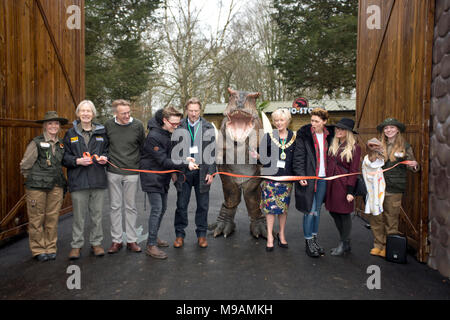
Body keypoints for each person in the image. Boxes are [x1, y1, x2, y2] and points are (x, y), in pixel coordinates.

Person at [140, 106, 198, 259]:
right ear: (164, 120)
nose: (177, 126)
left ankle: (153, 237)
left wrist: (185, 158)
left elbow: (170, 155)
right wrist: (185, 165)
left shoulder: (167, 133)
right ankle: (151, 245)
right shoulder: (153, 136)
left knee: (162, 208)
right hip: (151, 177)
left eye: (178, 124)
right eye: (174, 124)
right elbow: (163, 160)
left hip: (162, 178)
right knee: (157, 209)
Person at [63, 100, 109, 260]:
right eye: (82, 111)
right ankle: (76, 246)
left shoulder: (102, 132)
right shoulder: (71, 133)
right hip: (78, 180)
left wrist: (105, 158)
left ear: (93, 114)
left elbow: (108, 151)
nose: (85, 114)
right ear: (78, 114)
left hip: (97, 179)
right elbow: (64, 157)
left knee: (97, 215)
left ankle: (96, 243)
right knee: (79, 217)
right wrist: (77, 161)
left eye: (88, 111)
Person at [20, 111, 68, 262]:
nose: (53, 126)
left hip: (56, 186)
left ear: (59, 126)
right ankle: (38, 249)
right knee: (36, 218)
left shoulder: (61, 144)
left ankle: (50, 247)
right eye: (50, 123)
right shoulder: (36, 142)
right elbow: (25, 165)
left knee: (52, 218)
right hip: (36, 188)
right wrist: (35, 179)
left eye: (56, 123)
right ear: (45, 126)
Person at [369, 118, 420, 257]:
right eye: (386, 128)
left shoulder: (405, 146)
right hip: (378, 187)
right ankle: (378, 244)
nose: (388, 130)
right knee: (376, 218)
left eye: (392, 127)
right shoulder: (377, 145)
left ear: (397, 129)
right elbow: (369, 163)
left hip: (394, 188)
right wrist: (372, 155)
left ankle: (388, 246)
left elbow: (414, 167)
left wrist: (414, 165)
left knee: (391, 219)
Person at [173, 98, 216, 249]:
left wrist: (211, 173)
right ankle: (179, 235)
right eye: (190, 110)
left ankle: (202, 235)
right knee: (181, 205)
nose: (193, 113)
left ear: (200, 111)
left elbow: (212, 152)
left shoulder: (207, 126)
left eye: (196, 110)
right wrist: (175, 171)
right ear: (186, 110)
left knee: (203, 206)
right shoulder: (179, 126)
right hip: (184, 171)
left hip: (202, 171)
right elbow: (174, 151)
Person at [104, 99, 146, 254]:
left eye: (129, 112)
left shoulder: (138, 126)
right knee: (115, 206)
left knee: (131, 207)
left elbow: (142, 146)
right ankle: (116, 241)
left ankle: (131, 240)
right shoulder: (108, 125)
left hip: (132, 172)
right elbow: (105, 145)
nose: (127, 115)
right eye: (123, 114)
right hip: (113, 171)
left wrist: (138, 165)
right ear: (115, 113)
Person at [293, 107, 334, 258]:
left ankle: (315, 240)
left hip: (324, 179)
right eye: (312, 120)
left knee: (317, 210)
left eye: (317, 121)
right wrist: (300, 175)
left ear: (324, 122)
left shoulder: (330, 135)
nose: (313, 124)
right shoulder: (304, 135)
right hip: (309, 178)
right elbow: (298, 157)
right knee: (309, 211)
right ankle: (308, 242)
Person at [257, 108, 296, 252]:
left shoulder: (294, 137)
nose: (278, 123)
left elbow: (297, 160)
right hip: (270, 180)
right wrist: (258, 157)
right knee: (270, 210)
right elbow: (262, 158)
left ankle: (282, 234)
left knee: (283, 210)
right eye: (276, 121)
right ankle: (270, 236)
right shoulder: (268, 137)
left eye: (281, 120)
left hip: (286, 180)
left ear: (287, 121)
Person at [325, 118, 361, 256]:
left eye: (342, 129)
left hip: (344, 185)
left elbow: (353, 171)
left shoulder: (355, 148)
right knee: (333, 212)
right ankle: (345, 242)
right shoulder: (333, 144)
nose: (338, 131)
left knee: (344, 214)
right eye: (337, 128)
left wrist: (350, 191)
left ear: (348, 132)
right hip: (331, 184)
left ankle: (343, 242)